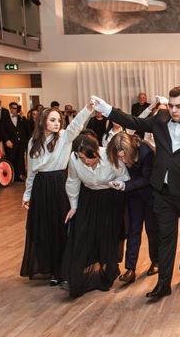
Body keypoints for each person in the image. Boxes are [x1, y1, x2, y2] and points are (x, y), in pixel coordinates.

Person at [91, 86, 180, 302]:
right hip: (163, 193)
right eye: (170, 106)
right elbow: (133, 122)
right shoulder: (161, 119)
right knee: (165, 237)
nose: (173, 110)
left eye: (178, 106)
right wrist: (107, 109)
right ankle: (163, 284)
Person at [20, 102, 93, 285]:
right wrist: (27, 195)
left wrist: (88, 109)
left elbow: (76, 125)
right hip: (40, 187)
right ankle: (49, 267)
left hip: (59, 185)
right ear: (42, 121)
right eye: (52, 120)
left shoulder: (64, 136)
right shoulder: (33, 142)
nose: (57, 123)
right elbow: (31, 172)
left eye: (59, 120)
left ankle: (61, 271)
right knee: (44, 229)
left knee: (60, 228)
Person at [62, 134, 129, 298]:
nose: (86, 161)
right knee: (82, 234)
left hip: (109, 198)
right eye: (82, 158)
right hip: (88, 197)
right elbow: (72, 181)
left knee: (106, 235)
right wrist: (73, 206)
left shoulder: (110, 155)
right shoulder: (74, 159)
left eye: (89, 157)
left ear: (96, 151)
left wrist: (118, 183)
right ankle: (78, 277)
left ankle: (107, 272)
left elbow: (125, 176)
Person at [106, 132, 160, 283]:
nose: (122, 160)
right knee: (133, 231)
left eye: (124, 157)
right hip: (133, 197)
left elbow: (146, 178)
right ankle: (130, 269)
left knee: (152, 230)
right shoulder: (117, 154)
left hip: (150, 196)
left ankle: (156, 261)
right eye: (119, 157)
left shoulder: (146, 152)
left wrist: (125, 185)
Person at [1, 102, 28, 181]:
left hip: (21, 143)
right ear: (10, 108)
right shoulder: (5, 118)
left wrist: (23, 118)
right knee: (11, 158)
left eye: (17, 108)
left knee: (20, 159)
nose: (15, 110)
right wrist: (7, 140)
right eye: (14, 108)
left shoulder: (21, 118)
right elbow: (2, 130)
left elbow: (27, 128)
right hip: (11, 143)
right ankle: (11, 176)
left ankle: (19, 176)